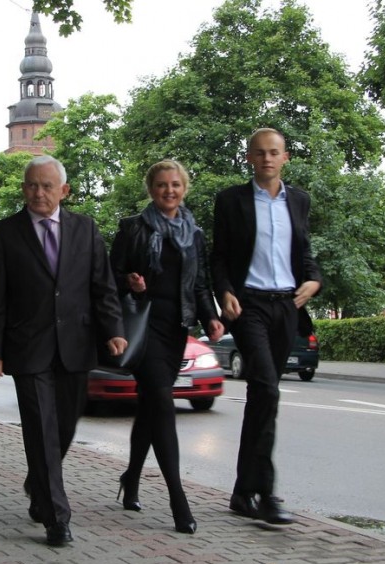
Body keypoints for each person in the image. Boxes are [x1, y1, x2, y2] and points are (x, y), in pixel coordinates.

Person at [0, 155, 127, 547]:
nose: (39, 193)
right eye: (32, 185)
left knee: (63, 428)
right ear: (23, 189)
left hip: (76, 344)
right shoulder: (4, 233)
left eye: (47, 186)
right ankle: (56, 517)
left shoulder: (85, 228)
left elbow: (103, 286)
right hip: (27, 347)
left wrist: (114, 329)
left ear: (64, 191)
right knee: (41, 430)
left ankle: (38, 482)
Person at [211, 128, 321, 524]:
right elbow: (219, 257)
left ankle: (243, 493)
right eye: (259, 153)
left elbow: (304, 252)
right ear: (249, 158)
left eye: (274, 152)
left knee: (263, 398)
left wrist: (315, 280)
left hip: (287, 306)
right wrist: (224, 291)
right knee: (267, 389)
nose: (267, 159)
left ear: (285, 157)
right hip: (250, 306)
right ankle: (266, 493)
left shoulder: (299, 201)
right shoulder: (231, 200)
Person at [110, 160, 224, 534]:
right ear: (151, 189)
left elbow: (200, 283)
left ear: (184, 188)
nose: (169, 191)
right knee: (161, 402)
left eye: (175, 184)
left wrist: (211, 318)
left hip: (177, 328)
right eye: (161, 185)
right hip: (144, 327)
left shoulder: (195, 233)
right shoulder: (133, 228)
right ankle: (178, 498)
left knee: (150, 407)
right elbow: (109, 277)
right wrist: (131, 282)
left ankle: (130, 478)